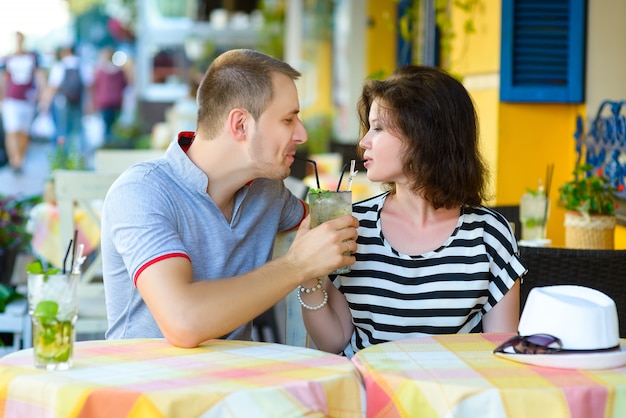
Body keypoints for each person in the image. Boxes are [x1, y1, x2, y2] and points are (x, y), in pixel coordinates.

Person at [100, 49, 359, 348]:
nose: (301, 134)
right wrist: (296, 265)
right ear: (240, 125)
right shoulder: (141, 192)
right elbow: (183, 321)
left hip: (237, 383)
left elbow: (324, 227)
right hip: (147, 385)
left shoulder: (267, 191)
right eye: (288, 120)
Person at [299, 65, 526, 358]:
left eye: (378, 128)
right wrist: (308, 275)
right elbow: (333, 341)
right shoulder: (354, 225)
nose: (364, 142)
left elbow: (499, 352)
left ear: (424, 135)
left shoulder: (488, 234)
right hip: (369, 395)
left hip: (451, 395)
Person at [0, 31, 46, 172]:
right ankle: (15, 160)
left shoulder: (32, 57)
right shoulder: (8, 58)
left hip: (27, 100)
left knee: (24, 132)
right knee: (12, 130)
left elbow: (40, 76)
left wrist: (41, 94)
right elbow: (3, 78)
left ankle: (20, 157)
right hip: (11, 100)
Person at [40, 44, 92, 158]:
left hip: (62, 102)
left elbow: (53, 87)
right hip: (78, 102)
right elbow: (89, 87)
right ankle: (80, 157)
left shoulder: (60, 66)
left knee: (62, 130)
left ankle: (63, 157)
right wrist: (90, 104)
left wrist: (45, 104)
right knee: (78, 129)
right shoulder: (83, 65)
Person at [92, 46, 128, 143]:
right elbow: (124, 84)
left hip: (104, 101)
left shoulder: (100, 71)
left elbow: (96, 85)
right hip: (116, 101)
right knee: (114, 124)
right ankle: (113, 142)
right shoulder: (119, 71)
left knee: (106, 125)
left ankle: (107, 143)